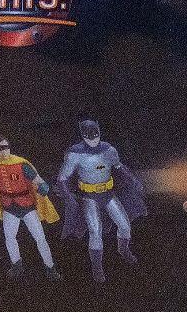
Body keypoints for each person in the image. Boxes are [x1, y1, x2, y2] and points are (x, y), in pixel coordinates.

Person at [57, 119, 146, 283]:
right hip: (88, 196)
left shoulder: (109, 150)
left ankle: (123, 250)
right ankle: (97, 267)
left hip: (108, 193)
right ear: (83, 136)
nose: (93, 140)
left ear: (99, 133)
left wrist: (134, 181)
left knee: (125, 225)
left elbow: (120, 167)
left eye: (95, 135)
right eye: (89, 136)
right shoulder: (75, 154)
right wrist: (69, 199)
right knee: (95, 231)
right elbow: (62, 179)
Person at [0, 131, 61, 281]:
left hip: (27, 206)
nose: (4, 151)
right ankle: (17, 266)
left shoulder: (20, 164)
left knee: (40, 238)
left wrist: (43, 186)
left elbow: (37, 179)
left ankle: (50, 268)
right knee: (9, 238)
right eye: (0, 148)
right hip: (9, 208)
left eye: (6, 147)